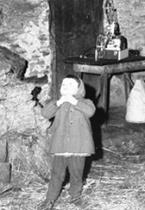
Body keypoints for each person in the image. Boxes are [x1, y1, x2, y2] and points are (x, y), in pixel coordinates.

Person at [38, 75, 95, 210]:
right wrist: (58, 102)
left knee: (76, 174)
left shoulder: (86, 102)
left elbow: (90, 112)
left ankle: (75, 196)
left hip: (79, 147)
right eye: (64, 85)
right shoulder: (57, 103)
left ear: (78, 89)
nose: (66, 87)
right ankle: (50, 199)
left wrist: (74, 101)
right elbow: (45, 114)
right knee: (57, 174)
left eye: (70, 85)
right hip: (61, 146)